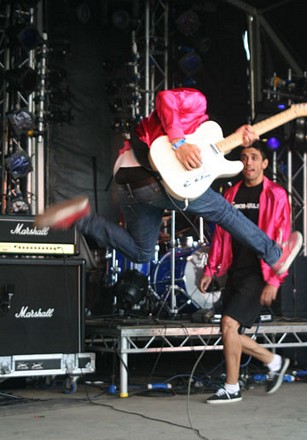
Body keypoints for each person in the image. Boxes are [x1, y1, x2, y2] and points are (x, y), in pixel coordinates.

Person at [34, 88, 302, 279]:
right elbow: (164, 98)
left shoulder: (207, 132)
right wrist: (178, 142)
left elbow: (207, 154)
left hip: (128, 179)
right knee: (224, 210)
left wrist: (232, 137)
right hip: (149, 178)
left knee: (141, 252)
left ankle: (82, 218)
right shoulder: (198, 102)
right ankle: (274, 255)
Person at [198, 140, 293, 404]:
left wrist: (274, 280)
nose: (248, 162)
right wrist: (211, 268)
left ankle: (231, 387)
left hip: (259, 272)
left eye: (254, 157)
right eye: (244, 157)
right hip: (236, 271)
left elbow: (282, 240)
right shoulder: (231, 194)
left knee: (229, 324)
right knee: (231, 332)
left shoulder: (276, 195)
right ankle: (273, 361)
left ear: (264, 163)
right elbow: (220, 234)